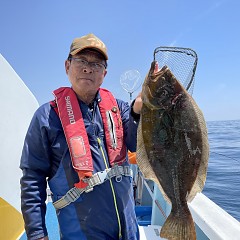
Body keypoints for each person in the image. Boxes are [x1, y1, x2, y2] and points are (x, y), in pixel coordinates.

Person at [20, 33, 143, 240]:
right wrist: (37, 233)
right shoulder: (46, 117)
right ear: (67, 66)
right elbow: (33, 179)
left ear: (104, 73)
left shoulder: (120, 109)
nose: (88, 68)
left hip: (127, 231)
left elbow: (136, 143)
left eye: (96, 64)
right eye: (81, 61)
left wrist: (138, 112)